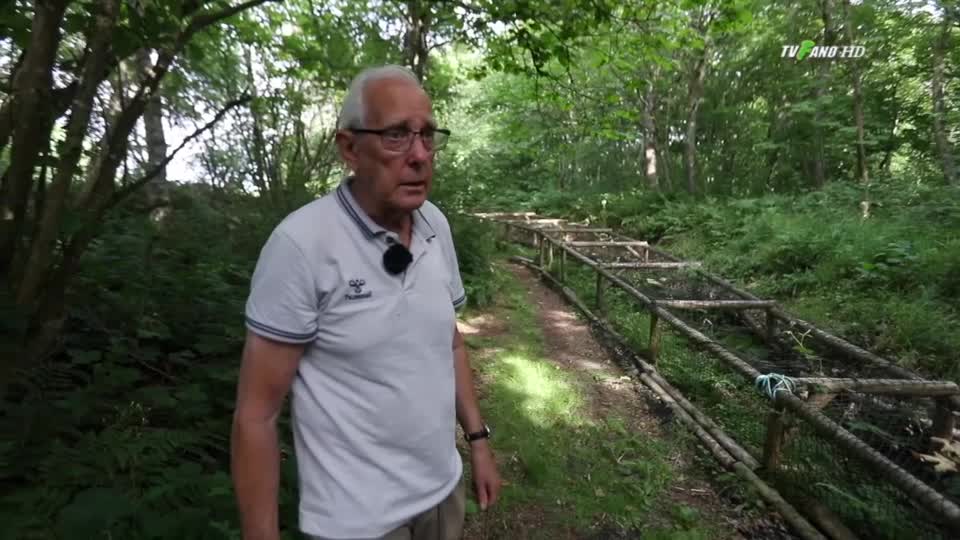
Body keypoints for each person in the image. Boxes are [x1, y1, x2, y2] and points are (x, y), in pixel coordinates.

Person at [230, 64, 502, 540]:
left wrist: (477, 441)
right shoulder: (302, 245)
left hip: (443, 495)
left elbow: (450, 343)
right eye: (396, 135)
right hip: (357, 522)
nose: (420, 155)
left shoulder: (435, 225)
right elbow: (257, 416)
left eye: (427, 135)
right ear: (349, 148)